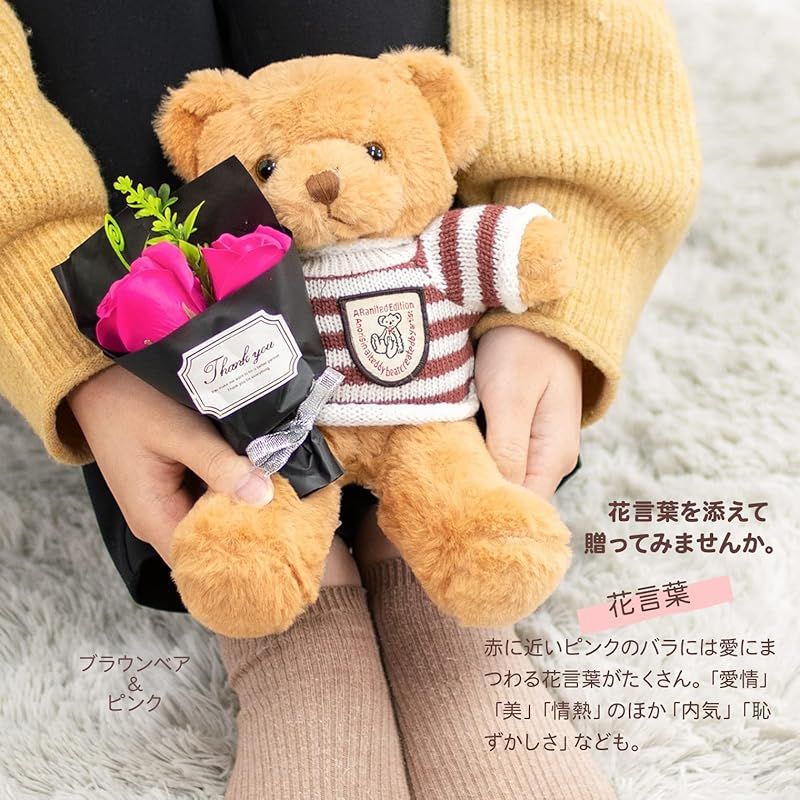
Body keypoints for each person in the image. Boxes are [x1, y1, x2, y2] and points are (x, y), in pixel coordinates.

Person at [0, 1, 700, 797]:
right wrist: (63, 324)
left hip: (433, 397)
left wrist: (553, 288)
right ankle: (296, 623)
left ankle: (436, 589)